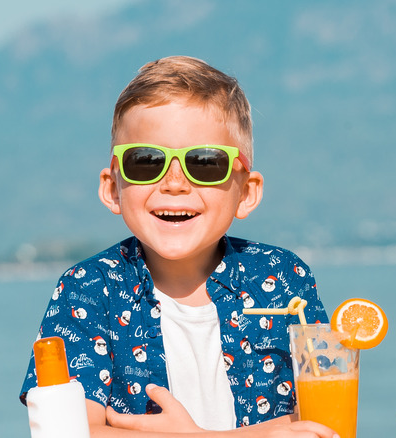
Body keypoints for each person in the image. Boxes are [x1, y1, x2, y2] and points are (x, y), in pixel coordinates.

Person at [20, 56, 338, 438]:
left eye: (204, 163)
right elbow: (66, 431)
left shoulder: (285, 279)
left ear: (247, 193)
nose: (174, 183)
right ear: (112, 189)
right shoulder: (87, 289)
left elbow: (326, 419)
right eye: (145, 162)